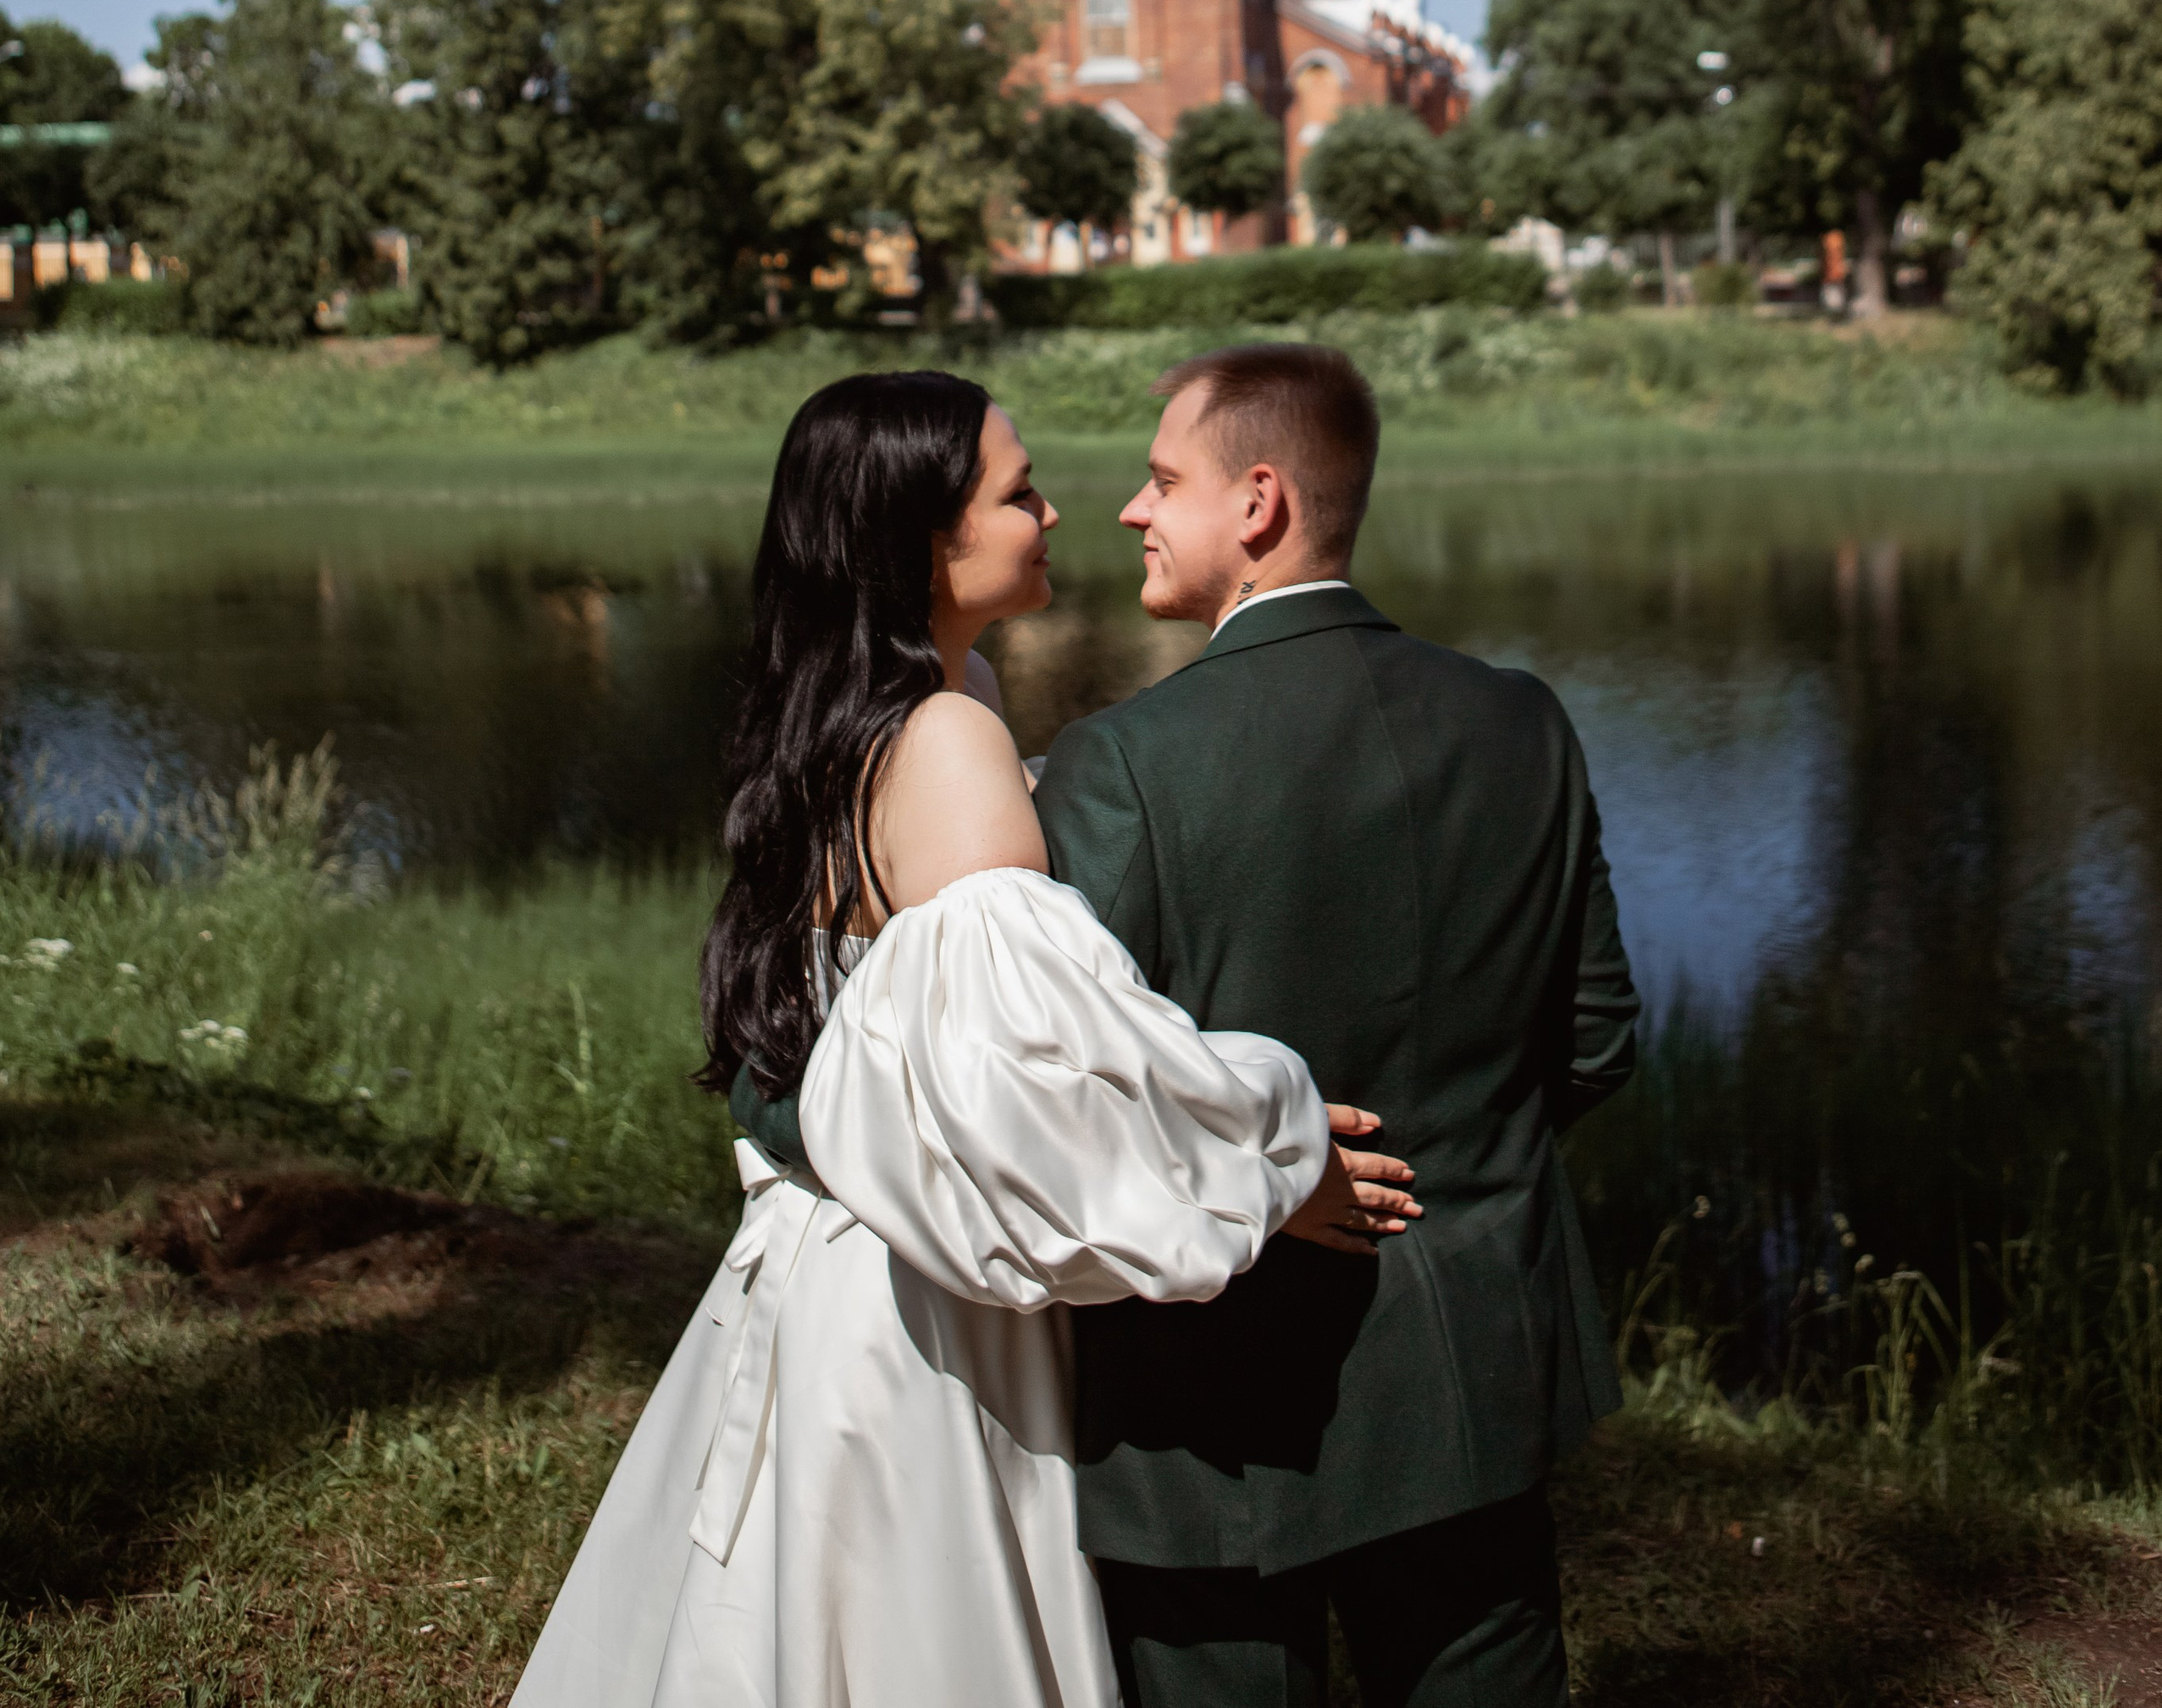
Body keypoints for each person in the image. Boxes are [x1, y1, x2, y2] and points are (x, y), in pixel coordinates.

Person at [511, 368, 1415, 1708]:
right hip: (923, 1292)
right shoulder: (942, 736)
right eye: (1017, 492)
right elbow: (1034, 1096)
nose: (1058, 511)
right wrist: (1276, 1160)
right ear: (927, 540)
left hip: (830, 1254)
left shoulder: (885, 700)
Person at [1034, 342, 1640, 1708]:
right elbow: (1596, 1038)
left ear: (1257, 503)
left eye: (1159, 478)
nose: (1132, 509)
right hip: (1476, 1357)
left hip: (1215, 1399)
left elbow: (1067, 1095)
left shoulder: (1123, 764)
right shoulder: (1524, 722)